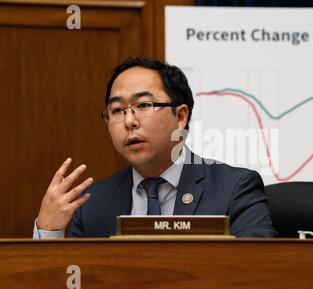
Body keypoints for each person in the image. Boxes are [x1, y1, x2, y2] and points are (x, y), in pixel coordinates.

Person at [33, 57, 276, 238]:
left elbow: (259, 273)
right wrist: (48, 231)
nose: (129, 121)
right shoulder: (93, 204)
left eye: (143, 105)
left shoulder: (233, 189)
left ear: (180, 116)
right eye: (117, 110)